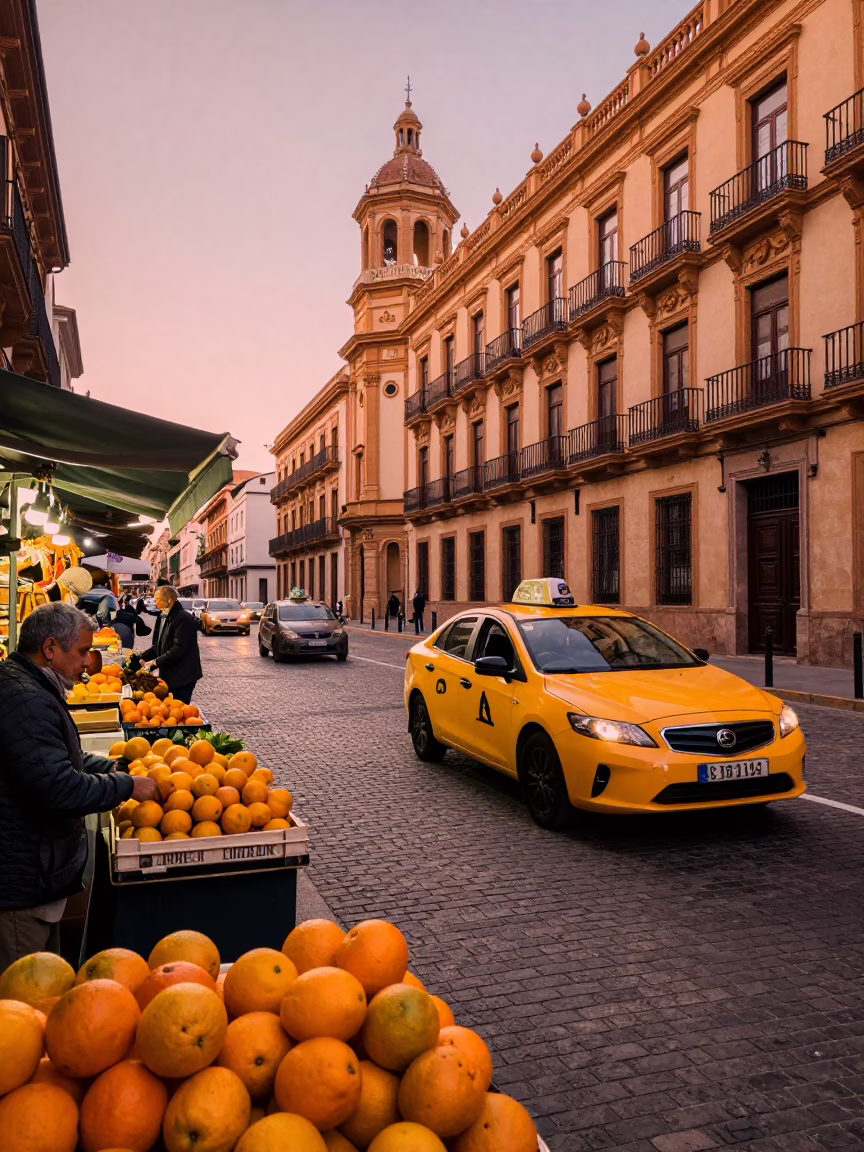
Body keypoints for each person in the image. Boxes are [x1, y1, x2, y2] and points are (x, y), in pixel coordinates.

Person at [0, 603, 159, 969]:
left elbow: (54, 757)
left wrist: (112, 766)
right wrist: (125, 786)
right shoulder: (25, 698)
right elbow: (59, 788)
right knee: (26, 1002)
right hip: (22, 882)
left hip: (33, 875)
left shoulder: (31, 685)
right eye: (83, 651)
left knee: (45, 985)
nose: (88, 662)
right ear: (51, 648)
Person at [138, 585, 202, 703]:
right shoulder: (162, 616)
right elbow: (158, 645)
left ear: (168, 600)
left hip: (183, 676)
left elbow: (178, 649)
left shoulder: (183, 618)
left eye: (157, 599)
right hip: (169, 674)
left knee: (178, 708)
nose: (155, 602)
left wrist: (155, 662)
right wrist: (143, 656)